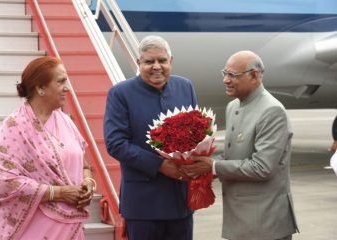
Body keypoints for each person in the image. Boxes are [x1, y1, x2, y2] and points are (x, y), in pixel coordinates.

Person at [180, 51, 299, 240]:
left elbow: (262, 167)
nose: (225, 80)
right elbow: (233, 157)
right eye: (224, 73)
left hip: (264, 223)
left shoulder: (272, 111)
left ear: (255, 76)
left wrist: (213, 166)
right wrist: (198, 165)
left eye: (232, 75)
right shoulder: (233, 106)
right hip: (240, 220)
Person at [0, 56, 96, 240]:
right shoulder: (15, 126)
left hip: (72, 227)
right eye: (61, 82)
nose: (67, 88)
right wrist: (58, 193)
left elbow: (84, 164)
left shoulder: (65, 121)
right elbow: (4, 181)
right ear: (40, 88)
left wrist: (89, 184)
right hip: (36, 227)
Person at [104, 35, 197, 240]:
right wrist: (160, 165)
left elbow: (196, 134)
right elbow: (115, 144)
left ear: (170, 61)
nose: (156, 67)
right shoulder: (120, 93)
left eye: (162, 60)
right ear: (139, 64)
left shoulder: (185, 87)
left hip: (180, 203)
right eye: (149, 62)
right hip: (143, 205)